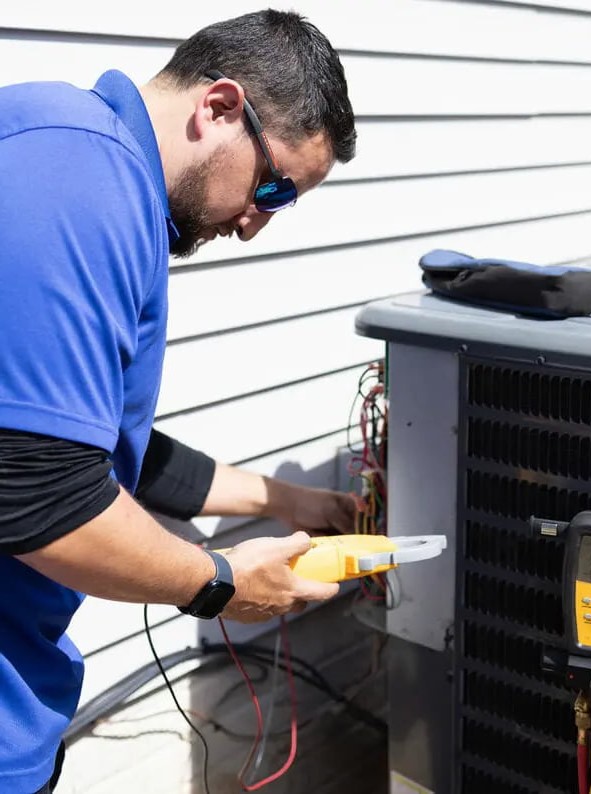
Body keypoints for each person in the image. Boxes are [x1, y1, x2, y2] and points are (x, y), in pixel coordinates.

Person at [0, 9, 357, 794]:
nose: (257, 223)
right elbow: (36, 494)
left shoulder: (88, 168)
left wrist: (296, 500)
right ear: (221, 107)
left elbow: (103, 449)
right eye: (273, 187)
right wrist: (220, 580)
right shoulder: (73, 178)